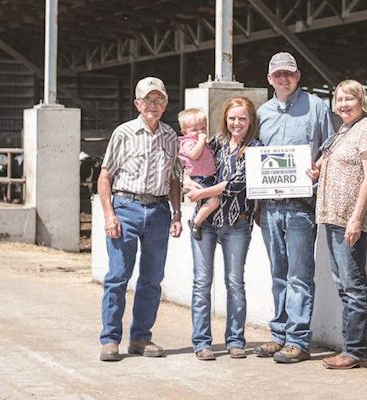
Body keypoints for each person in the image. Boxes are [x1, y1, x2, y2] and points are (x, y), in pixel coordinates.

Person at [255, 51, 335, 363]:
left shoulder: (317, 107)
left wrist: (319, 169)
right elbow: (255, 154)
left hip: (302, 205)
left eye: (288, 73)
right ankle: (279, 334)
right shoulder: (262, 113)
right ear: (269, 79)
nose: (283, 79)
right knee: (278, 273)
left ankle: (298, 340)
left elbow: (329, 148)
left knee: (299, 275)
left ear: (298, 75)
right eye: (277, 75)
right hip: (271, 207)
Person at [97, 76, 183, 362]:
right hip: (126, 207)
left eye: (159, 100)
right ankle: (110, 339)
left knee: (152, 278)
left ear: (166, 104)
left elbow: (174, 178)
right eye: (148, 100)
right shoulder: (123, 133)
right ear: (137, 103)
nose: (153, 105)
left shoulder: (171, 136)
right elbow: (105, 176)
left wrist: (176, 213)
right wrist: (109, 213)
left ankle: (140, 338)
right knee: (118, 276)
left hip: (158, 211)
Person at [307, 79, 367, 369]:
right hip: (332, 216)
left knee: (353, 286)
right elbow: (327, 163)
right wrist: (315, 170)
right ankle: (354, 348)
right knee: (345, 285)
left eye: (350, 99)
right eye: (339, 100)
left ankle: (357, 350)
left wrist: (356, 218)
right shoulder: (343, 131)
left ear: (362, 101)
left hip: (348, 219)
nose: (344, 104)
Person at [184, 96, 262, 361]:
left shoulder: (255, 148)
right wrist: (189, 184)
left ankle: (236, 340)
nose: (236, 123)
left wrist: (202, 191)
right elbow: (189, 165)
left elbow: (235, 184)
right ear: (225, 119)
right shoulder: (214, 142)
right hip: (206, 223)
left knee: (234, 283)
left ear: (250, 120)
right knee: (202, 283)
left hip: (237, 223)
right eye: (232, 118)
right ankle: (201, 342)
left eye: (242, 118)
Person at [177, 108, 219, 241]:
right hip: (199, 178)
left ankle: (211, 226)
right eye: (194, 130)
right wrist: (201, 141)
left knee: (216, 202)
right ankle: (196, 222)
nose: (200, 133)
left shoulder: (203, 143)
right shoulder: (187, 142)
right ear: (185, 132)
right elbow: (193, 155)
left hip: (208, 177)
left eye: (203, 129)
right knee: (214, 201)